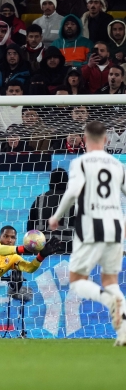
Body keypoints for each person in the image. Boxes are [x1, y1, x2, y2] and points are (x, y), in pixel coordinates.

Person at [49, 120, 126, 346]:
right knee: (111, 280)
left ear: (84, 139)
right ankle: (123, 332)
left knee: (76, 280)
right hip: (115, 226)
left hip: (90, 224)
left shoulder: (80, 163)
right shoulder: (116, 164)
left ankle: (107, 300)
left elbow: (73, 192)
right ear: (106, 139)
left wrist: (56, 216)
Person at [27, 168, 74, 253]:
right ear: (67, 181)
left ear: (51, 181)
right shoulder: (74, 200)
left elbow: (30, 228)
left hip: (43, 252)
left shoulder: (39, 199)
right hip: (69, 251)